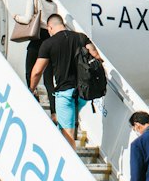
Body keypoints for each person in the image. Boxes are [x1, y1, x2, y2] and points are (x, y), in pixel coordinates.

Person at [29, 14, 103, 147]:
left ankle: (71, 164)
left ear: (50, 27)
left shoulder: (48, 44)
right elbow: (96, 56)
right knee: (70, 121)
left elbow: (37, 71)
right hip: (83, 92)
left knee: (67, 134)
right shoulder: (81, 37)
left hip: (65, 93)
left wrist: (31, 89)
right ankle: (73, 121)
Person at [13, 0, 58, 89]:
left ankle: (32, 94)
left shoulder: (33, 0)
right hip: (49, 36)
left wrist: (16, 17)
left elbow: (27, 19)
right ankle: (53, 104)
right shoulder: (53, 4)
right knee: (48, 77)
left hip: (37, 36)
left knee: (30, 70)